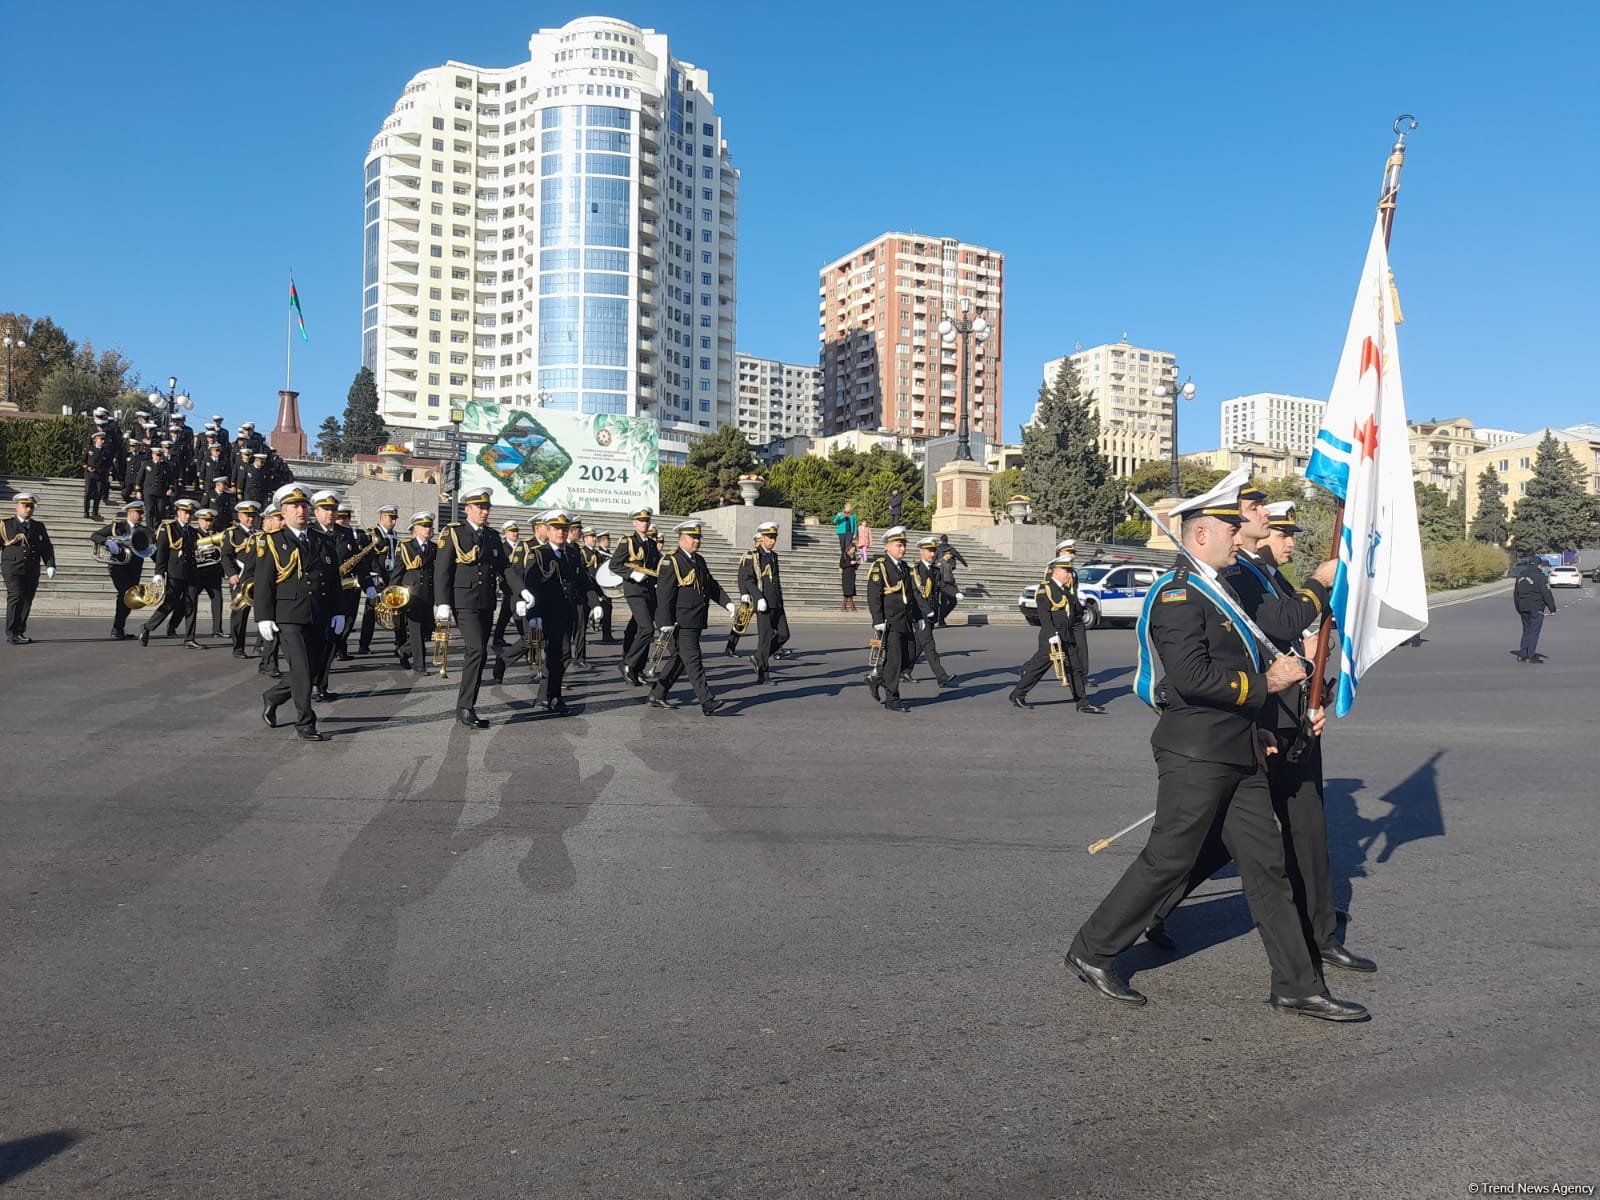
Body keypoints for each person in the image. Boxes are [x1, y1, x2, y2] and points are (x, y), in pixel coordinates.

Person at [1064, 483, 1367, 1022]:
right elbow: (1194, 678)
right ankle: (1092, 950)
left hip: (1240, 747)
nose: (1241, 538)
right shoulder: (1178, 594)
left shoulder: (1219, 588)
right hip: (1196, 751)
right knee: (1170, 858)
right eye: (1231, 530)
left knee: (1267, 866)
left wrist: (1259, 729)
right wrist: (1267, 685)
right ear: (1201, 534)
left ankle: (1296, 985)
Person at [255, 483, 340, 741]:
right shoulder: (272, 541)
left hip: (318, 613)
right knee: (302, 670)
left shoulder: (322, 540)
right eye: (295, 506)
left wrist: (339, 611)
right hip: (289, 614)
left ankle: (274, 696)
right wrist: (264, 616)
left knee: (312, 671)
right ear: (283, 511)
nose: (301, 511)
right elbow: (264, 581)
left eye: (304, 506)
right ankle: (306, 723)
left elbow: (333, 579)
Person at [434, 486, 508, 729]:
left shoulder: (493, 536)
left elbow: (505, 569)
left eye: (487, 508)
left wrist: (521, 592)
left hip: (486, 601)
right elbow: (442, 569)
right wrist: (442, 602)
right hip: (463, 601)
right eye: (480, 508)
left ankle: (465, 706)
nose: (484, 512)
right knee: (475, 649)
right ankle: (466, 707)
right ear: (468, 509)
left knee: (481, 653)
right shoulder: (454, 533)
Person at [647, 520, 737, 715]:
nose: (696, 541)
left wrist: (727, 603)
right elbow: (664, 595)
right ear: (681, 538)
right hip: (680, 622)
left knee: (681, 659)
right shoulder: (672, 561)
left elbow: (711, 586)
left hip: (695, 620)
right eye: (692, 537)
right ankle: (707, 701)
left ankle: (658, 693)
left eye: (698, 537)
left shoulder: (699, 560)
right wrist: (665, 623)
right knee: (694, 660)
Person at [516, 511, 603, 713]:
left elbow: (583, 581)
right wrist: (534, 615)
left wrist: (595, 603)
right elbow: (533, 585)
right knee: (560, 654)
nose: (561, 533)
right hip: (547, 612)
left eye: (565, 529)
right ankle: (553, 697)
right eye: (556, 528)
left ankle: (545, 696)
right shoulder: (539, 553)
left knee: (560, 656)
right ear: (547, 530)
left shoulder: (572, 553)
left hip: (567, 611)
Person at [1010, 555, 1104, 713]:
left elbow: (1073, 614)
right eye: (1066, 570)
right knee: (1039, 667)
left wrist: (1080, 603)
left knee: (1076, 668)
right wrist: (1052, 633)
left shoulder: (1066, 589)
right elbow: (1044, 614)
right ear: (1057, 571)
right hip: (1052, 636)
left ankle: (1082, 702)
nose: (1070, 574)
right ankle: (1018, 693)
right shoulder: (1045, 588)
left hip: (1067, 635)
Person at [139, 498, 205, 649]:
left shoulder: (193, 532)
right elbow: (161, 553)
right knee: (169, 604)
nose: (188, 516)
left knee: (191, 605)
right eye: (185, 512)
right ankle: (148, 627)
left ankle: (189, 638)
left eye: (190, 513)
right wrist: (159, 573)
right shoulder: (168, 528)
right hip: (175, 573)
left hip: (191, 574)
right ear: (178, 512)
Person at [865, 526, 916, 713]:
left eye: (903, 545)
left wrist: (918, 617)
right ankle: (892, 698)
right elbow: (873, 594)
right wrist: (877, 619)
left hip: (905, 619)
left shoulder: (904, 567)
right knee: (894, 660)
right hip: (890, 620)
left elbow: (910, 595)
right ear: (887, 546)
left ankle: (877, 678)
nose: (902, 549)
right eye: (898, 545)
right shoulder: (881, 565)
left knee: (910, 654)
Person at [608, 507, 661, 686]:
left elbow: (658, 565)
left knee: (639, 629)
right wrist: (632, 575)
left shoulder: (651, 543)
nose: (644, 523)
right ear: (634, 523)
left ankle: (637, 669)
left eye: (647, 520)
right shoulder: (628, 541)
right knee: (647, 629)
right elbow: (614, 565)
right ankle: (627, 664)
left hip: (649, 590)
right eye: (641, 520)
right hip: (634, 590)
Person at [91, 499, 150, 640]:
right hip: (118, 566)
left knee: (129, 598)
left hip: (135, 567)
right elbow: (95, 535)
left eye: (142, 513)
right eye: (139, 513)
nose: (142, 516)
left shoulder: (144, 530)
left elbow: (150, 548)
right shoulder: (117, 527)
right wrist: (107, 542)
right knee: (125, 594)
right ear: (130, 513)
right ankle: (117, 628)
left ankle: (119, 628)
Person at [738, 521, 789, 684]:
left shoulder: (774, 556)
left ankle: (758, 657)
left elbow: (776, 581)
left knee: (784, 634)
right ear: (762, 537)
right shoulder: (753, 555)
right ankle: (763, 674)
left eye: (774, 537)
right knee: (765, 638)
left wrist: (780, 601)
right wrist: (757, 597)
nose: (772, 541)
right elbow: (747, 579)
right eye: (769, 537)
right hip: (763, 603)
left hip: (776, 602)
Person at [2, 493, 57, 644]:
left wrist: (50, 564)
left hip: (32, 568)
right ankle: (11, 632)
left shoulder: (38, 526)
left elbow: (46, 547)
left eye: (31, 507)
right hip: (12, 567)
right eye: (25, 506)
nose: (28, 509)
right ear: (17, 506)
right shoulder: (6, 524)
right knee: (15, 596)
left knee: (27, 599)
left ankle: (19, 631)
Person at [909, 536, 958, 690]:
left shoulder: (935, 570)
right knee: (929, 645)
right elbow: (916, 594)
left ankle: (904, 670)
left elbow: (942, 586)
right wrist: (926, 611)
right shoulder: (915, 571)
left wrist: (955, 593)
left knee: (919, 645)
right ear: (921, 552)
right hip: (920, 614)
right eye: (929, 551)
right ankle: (941, 677)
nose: (932, 554)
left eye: (934, 551)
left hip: (931, 612)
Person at [394, 512, 437, 675]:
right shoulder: (406, 547)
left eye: (429, 526)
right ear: (415, 529)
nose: (428, 529)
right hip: (411, 595)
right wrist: (392, 595)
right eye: (424, 526)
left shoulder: (434, 547)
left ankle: (403, 651)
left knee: (428, 630)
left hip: (428, 593)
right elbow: (397, 573)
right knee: (416, 630)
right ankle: (419, 665)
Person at [357, 505, 402, 656]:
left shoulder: (393, 535)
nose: (394, 522)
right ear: (382, 518)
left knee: (397, 609)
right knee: (371, 610)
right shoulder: (372, 534)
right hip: (377, 576)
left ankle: (400, 643)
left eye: (395, 518)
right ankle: (364, 644)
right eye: (391, 518)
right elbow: (370, 558)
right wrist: (377, 574)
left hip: (392, 575)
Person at [222, 501, 261, 659]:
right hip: (241, 579)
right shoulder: (232, 533)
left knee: (264, 613)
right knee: (239, 615)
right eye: (247, 516)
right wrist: (231, 574)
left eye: (253, 516)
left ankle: (261, 645)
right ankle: (238, 647)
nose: (250, 519)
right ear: (239, 516)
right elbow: (226, 556)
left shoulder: (259, 534)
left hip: (258, 578)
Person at [1513, 557, 1558, 663]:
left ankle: (1522, 654)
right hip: (1536, 607)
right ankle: (1530, 655)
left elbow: (1516, 594)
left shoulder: (1520, 576)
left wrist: (1518, 607)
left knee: (1526, 630)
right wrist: (1552, 608)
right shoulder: (1540, 577)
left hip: (1523, 606)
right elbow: (1546, 594)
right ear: (1539, 565)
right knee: (1534, 632)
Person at [192, 508, 227, 639]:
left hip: (214, 573)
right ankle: (173, 625)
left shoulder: (217, 534)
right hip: (198, 573)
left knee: (217, 600)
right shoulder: (194, 533)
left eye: (210, 520)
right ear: (199, 521)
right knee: (189, 602)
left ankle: (217, 630)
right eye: (205, 520)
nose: (208, 523)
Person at [492, 519, 524, 647]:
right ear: (505, 533)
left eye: (516, 531)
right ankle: (525, 638)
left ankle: (498, 637)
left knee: (506, 613)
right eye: (511, 531)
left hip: (519, 583)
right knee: (516, 613)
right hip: (508, 584)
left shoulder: (521, 546)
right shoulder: (503, 547)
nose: (515, 534)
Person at [84, 431, 114, 519]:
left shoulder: (106, 451)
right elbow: (83, 461)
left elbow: (109, 464)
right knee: (88, 493)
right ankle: (86, 511)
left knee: (98, 494)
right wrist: (87, 467)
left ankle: (95, 512)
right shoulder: (89, 449)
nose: (103, 441)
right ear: (95, 440)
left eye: (103, 439)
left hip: (101, 475)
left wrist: (110, 474)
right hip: (90, 475)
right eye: (101, 439)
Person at [936, 547, 964, 627]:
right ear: (945, 554)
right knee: (944, 603)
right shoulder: (940, 563)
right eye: (949, 554)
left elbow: (951, 577)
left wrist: (955, 587)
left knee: (953, 602)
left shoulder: (948, 564)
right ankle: (941, 620)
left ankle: (941, 618)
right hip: (944, 586)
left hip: (950, 585)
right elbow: (938, 575)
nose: (951, 556)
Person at [838, 543, 859, 612]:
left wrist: (857, 564)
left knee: (848, 592)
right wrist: (850, 563)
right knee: (848, 592)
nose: (853, 551)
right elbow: (842, 565)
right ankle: (853, 608)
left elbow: (855, 567)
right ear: (849, 549)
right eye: (852, 549)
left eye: (854, 550)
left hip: (852, 575)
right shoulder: (844, 555)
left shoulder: (854, 556)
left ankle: (844, 608)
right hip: (846, 575)